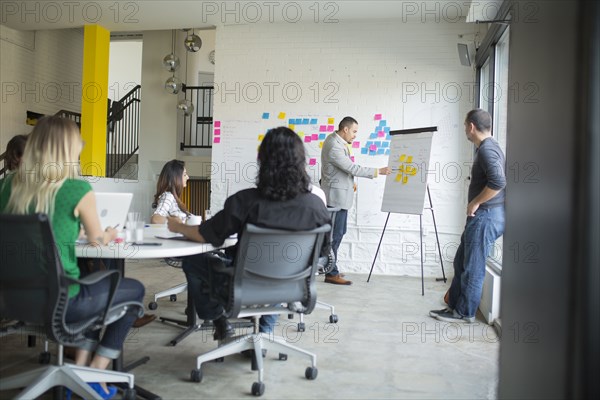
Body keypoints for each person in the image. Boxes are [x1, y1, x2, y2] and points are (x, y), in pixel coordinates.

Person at [0, 116, 145, 399]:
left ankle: (79, 370)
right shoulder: (76, 189)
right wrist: (110, 232)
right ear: (68, 149)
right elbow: (97, 240)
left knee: (91, 283)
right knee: (134, 290)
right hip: (65, 303)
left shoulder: (6, 186)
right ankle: (96, 372)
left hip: (12, 300)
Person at [167, 127, 331, 338]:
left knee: (194, 260)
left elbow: (206, 236)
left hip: (243, 287)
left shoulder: (245, 201)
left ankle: (218, 319)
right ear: (301, 162)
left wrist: (178, 226)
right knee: (278, 271)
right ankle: (264, 333)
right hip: (294, 287)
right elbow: (323, 254)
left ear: (262, 160)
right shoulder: (316, 206)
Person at [429, 109, 506, 323]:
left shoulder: (487, 151)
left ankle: (464, 313)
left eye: (465, 126)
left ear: (471, 126)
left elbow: (499, 182)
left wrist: (476, 201)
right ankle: (455, 305)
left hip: (486, 216)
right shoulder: (491, 147)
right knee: (461, 262)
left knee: (472, 267)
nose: (465, 130)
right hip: (485, 216)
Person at [320, 116, 391, 285]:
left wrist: (350, 182)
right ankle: (330, 273)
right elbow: (350, 167)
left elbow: (342, 171)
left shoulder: (337, 141)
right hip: (335, 199)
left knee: (338, 234)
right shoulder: (334, 146)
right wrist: (377, 171)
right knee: (333, 236)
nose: (355, 135)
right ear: (345, 129)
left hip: (340, 196)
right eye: (354, 131)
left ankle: (331, 268)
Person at [151, 159, 190, 224]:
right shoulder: (168, 196)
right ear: (176, 178)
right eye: (185, 174)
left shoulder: (174, 198)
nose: (188, 177)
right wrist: (174, 221)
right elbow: (155, 219)